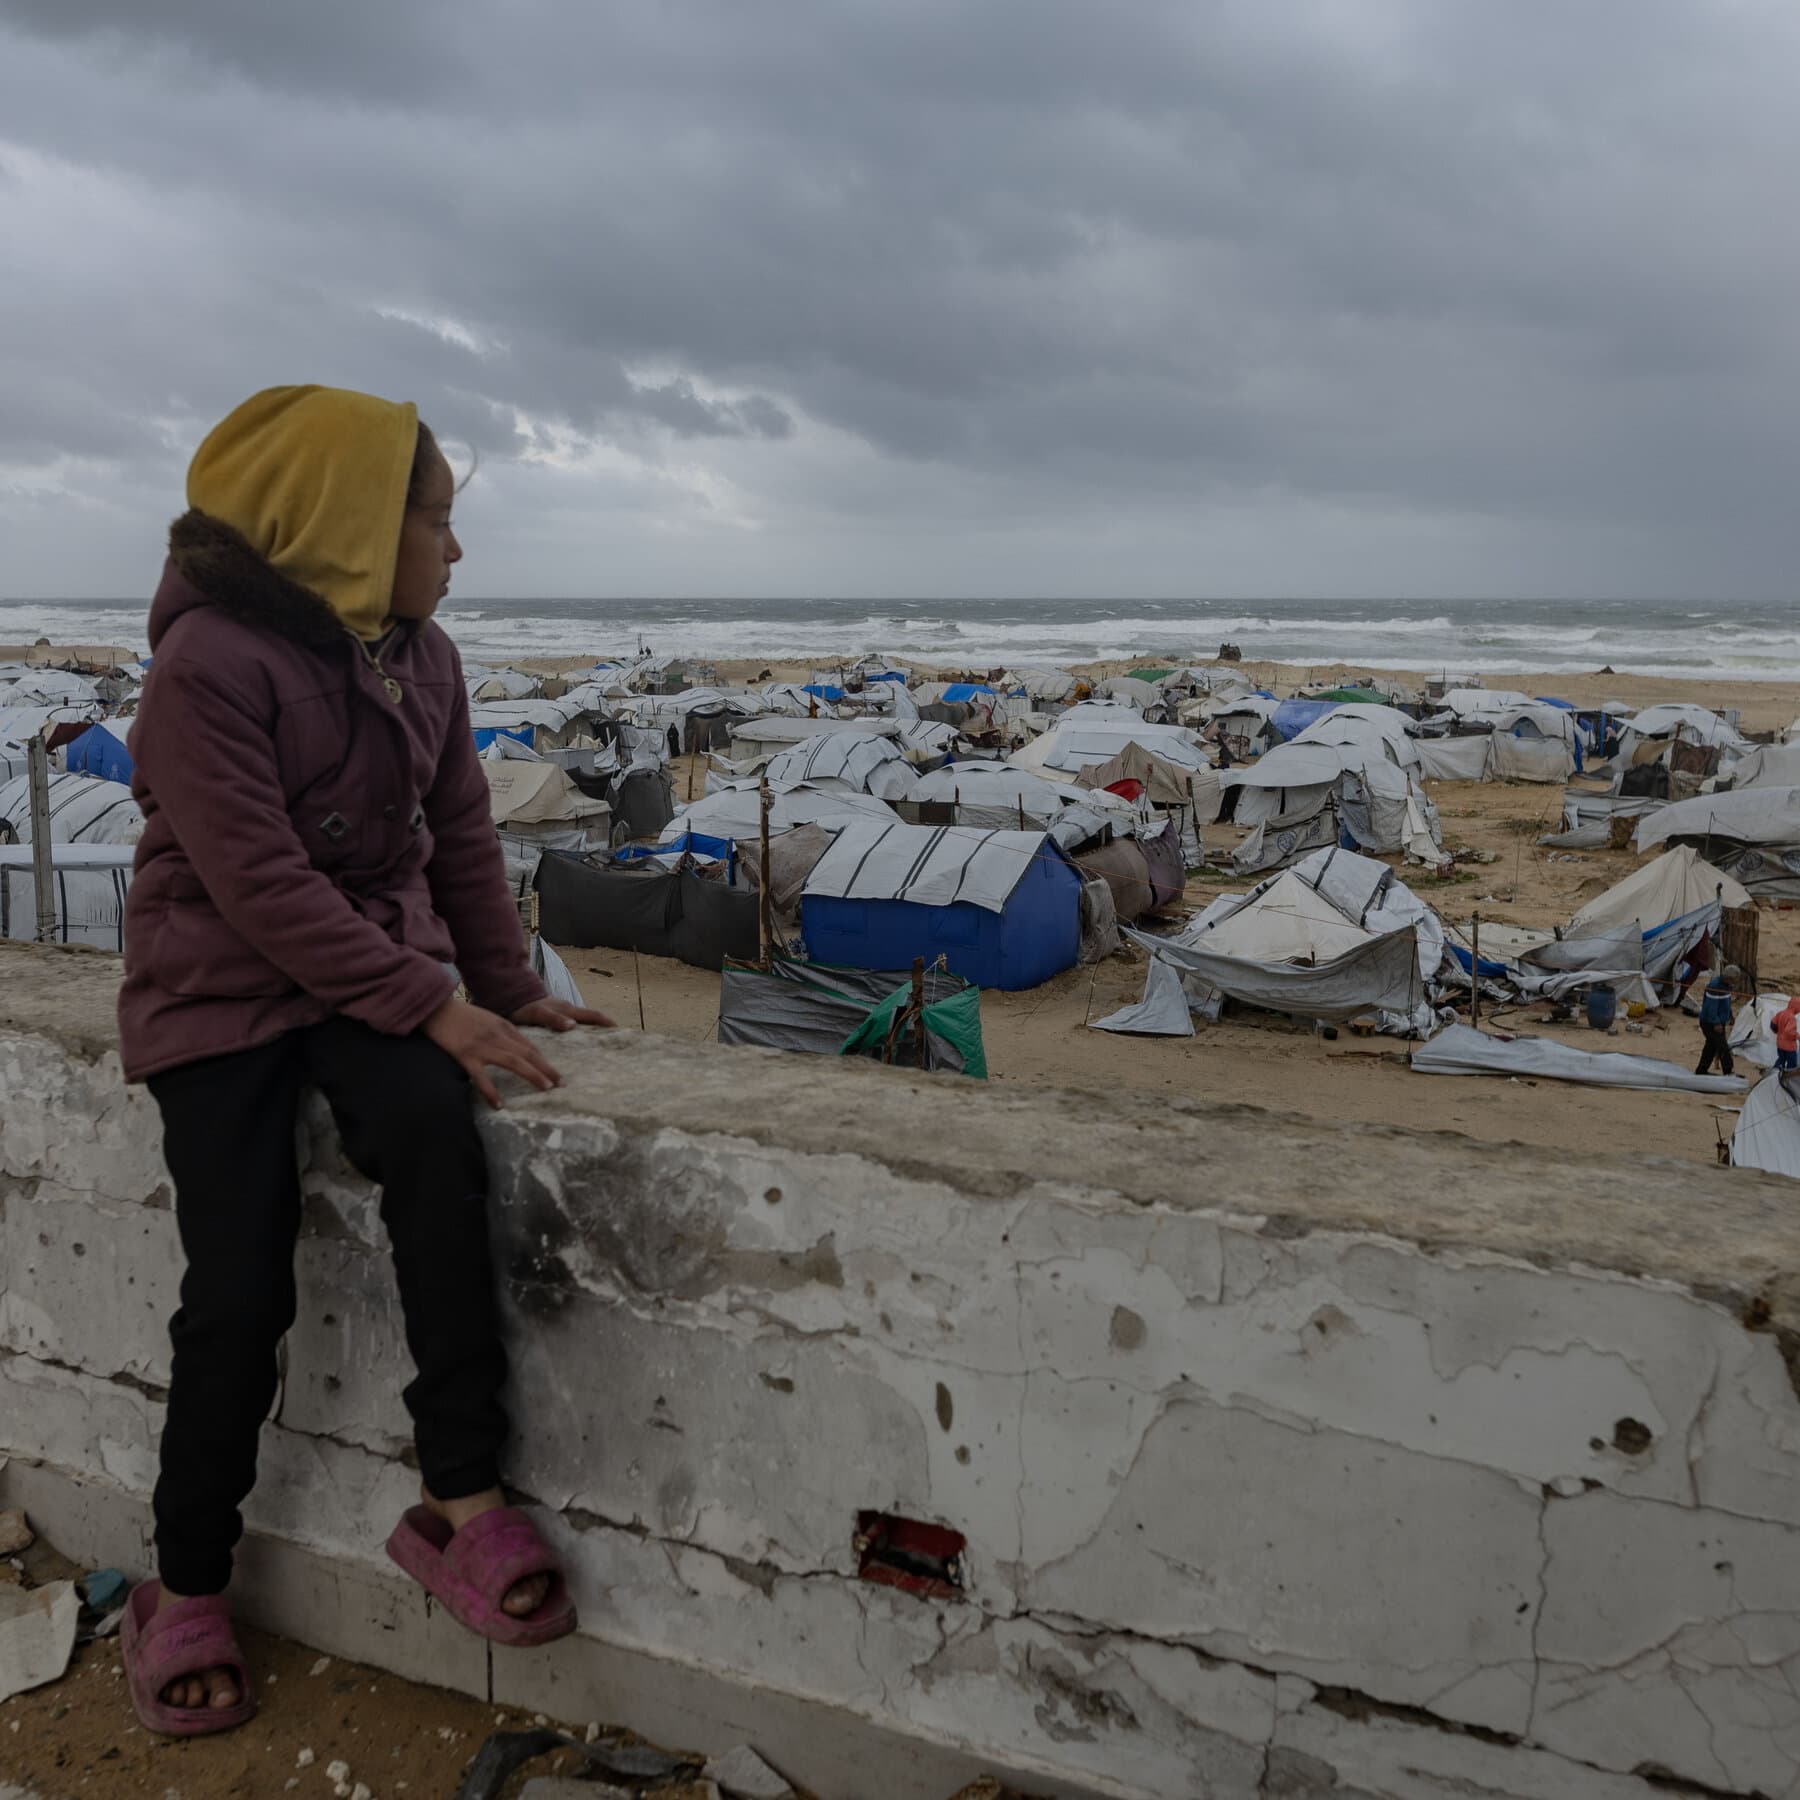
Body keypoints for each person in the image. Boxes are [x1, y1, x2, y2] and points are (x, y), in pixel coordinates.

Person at [114, 386, 614, 1736]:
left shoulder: (423, 658)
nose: (456, 553)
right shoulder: (205, 668)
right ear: (343, 522)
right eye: (437, 521)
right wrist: (434, 1001)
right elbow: (258, 884)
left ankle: (461, 1499)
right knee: (238, 1283)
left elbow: (458, 837)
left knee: (440, 1162)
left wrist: (505, 985)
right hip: (219, 986)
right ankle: (184, 1579)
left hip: (359, 980)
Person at [1695, 972, 1735, 1076]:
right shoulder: (1715, 986)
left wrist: (1730, 1015)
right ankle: (1728, 1072)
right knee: (1723, 1047)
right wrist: (1716, 1023)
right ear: (1729, 978)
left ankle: (1701, 1070)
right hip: (1710, 1023)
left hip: (1719, 1022)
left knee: (1711, 1046)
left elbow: (1726, 1002)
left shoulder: (1728, 986)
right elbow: (1711, 1007)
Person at [1775, 994, 1800, 1073]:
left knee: (1781, 1060)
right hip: (1789, 1046)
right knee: (1792, 1063)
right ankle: (1788, 1078)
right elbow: (1789, 1031)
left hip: (1780, 1044)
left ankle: (1774, 1074)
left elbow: (1773, 1024)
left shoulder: (1781, 1013)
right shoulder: (1791, 1017)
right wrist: (1797, 1036)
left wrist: (1779, 1033)